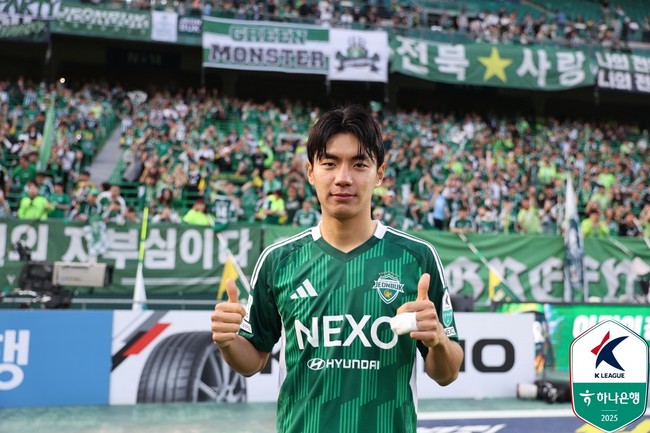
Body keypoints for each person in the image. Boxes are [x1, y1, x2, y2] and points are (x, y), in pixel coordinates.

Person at [211, 105, 463, 433]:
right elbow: (253, 360)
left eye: (359, 164)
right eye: (329, 163)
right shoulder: (279, 260)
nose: (343, 178)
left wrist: (438, 340)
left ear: (380, 174)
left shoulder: (417, 258)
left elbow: (447, 372)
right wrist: (228, 342)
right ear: (310, 171)